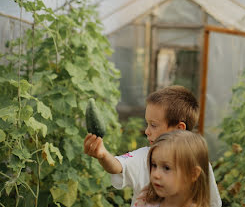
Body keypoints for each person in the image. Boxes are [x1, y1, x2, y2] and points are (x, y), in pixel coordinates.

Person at [84, 85, 221, 207]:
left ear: (179, 128)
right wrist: (102, 155)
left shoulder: (200, 164)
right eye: (154, 165)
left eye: (153, 125)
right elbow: (117, 166)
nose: (147, 131)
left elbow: (212, 202)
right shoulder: (145, 155)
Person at [133, 130, 210, 207]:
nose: (155, 174)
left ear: (192, 174)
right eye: (154, 165)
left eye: (166, 168)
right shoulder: (146, 203)